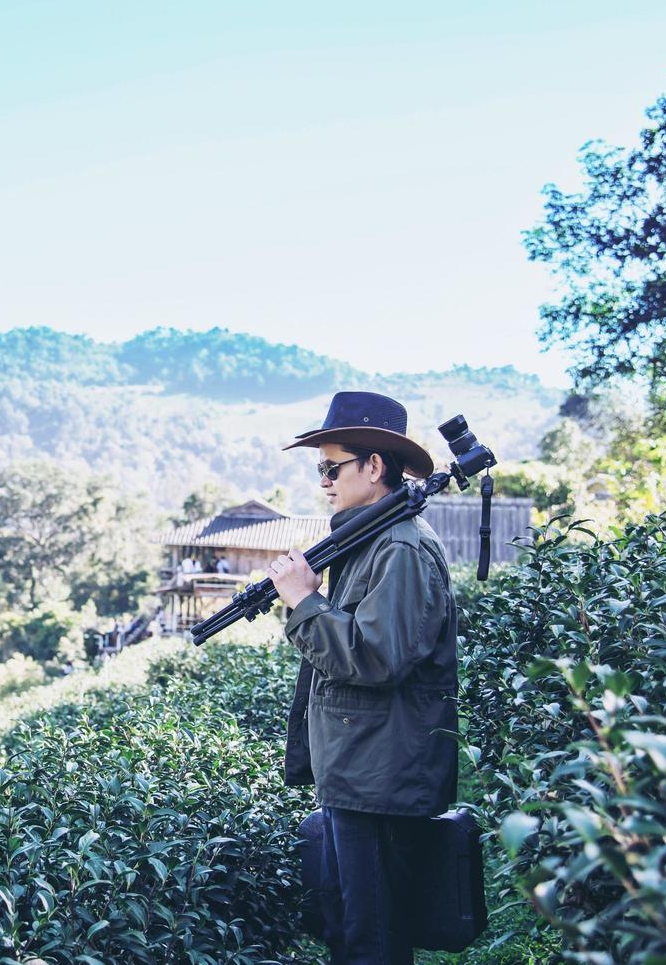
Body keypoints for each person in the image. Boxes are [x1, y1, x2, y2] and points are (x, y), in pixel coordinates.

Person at [266, 391, 458, 965]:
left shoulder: (400, 547)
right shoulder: (371, 540)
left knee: (372, 939)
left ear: (374, 467)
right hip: (362, 769)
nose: (323, 481)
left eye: (332, 467)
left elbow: (375, 657)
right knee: (356, 928)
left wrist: (302, 601)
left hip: (381, 778)